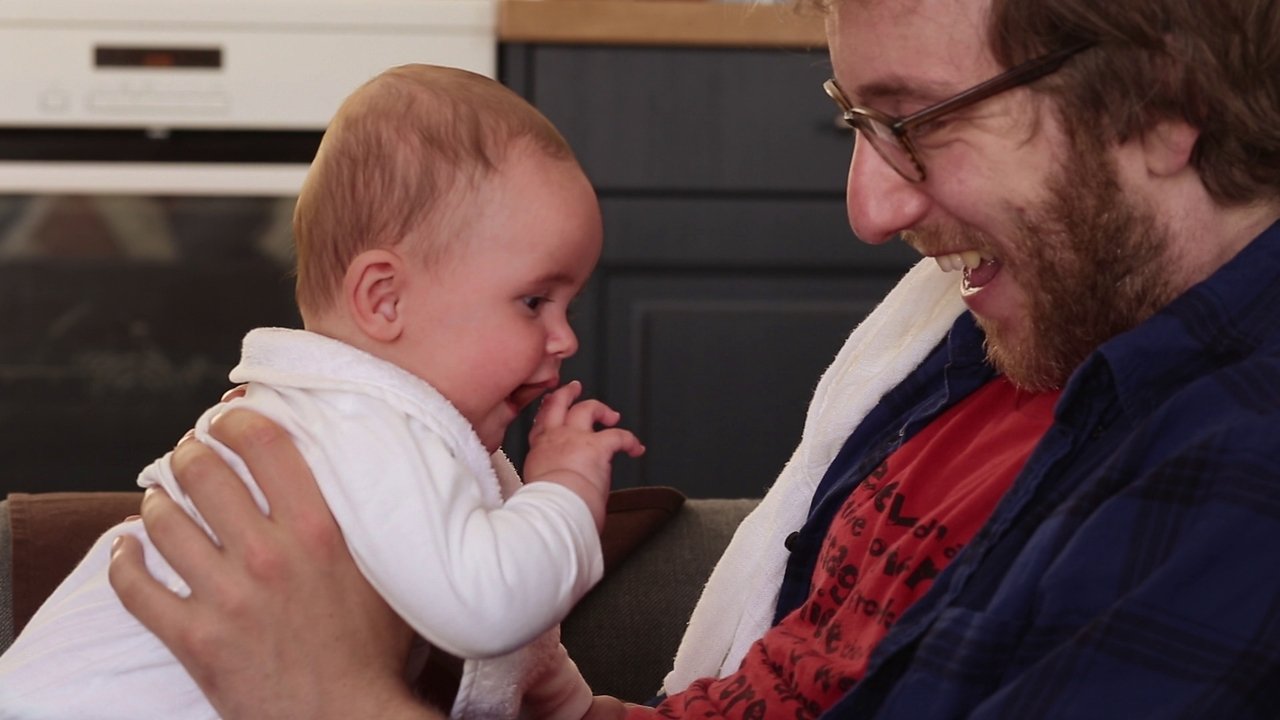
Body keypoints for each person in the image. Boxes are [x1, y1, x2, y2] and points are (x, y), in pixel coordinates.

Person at [109, 0, 1280, 717]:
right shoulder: (1009, 329)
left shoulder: (1232, 482)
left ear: (1161, 105)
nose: (868, 205)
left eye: (918, 119)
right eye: (855, 123)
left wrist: (322, 700)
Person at [0, 64, 644, 720]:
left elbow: (510, 641)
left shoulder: (388, 425)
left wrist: (570, 706)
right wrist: (565, 487)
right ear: (384, 297)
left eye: (569, 303)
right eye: (534, 301)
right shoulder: (365, 424)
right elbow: (488, 608)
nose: (565, 338)